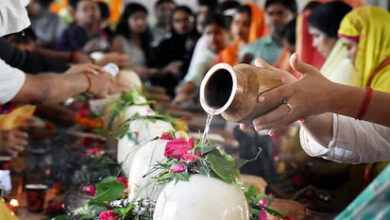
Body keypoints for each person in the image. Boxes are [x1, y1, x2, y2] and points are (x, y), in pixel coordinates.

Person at [173, 14, 228, 104]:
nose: (212, 38)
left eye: (217, 32)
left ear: (226, 32)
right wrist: (183, 92)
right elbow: (194, 79)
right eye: (208, 33)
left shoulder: (235, 52)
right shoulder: (205, 58)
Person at [150, 5, 200, 97]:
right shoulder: (164, 45)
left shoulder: (200, 41)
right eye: (177, 21)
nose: (182, 25)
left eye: (185, 20)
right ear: (172, 23)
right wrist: (166, 69)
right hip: (169, 92)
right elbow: (154, 71)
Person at [308, 1, 353, 85]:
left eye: (317, 36)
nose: (314, 44)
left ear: (336, 35)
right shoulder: (338, 65)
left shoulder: (347, 68)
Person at [239, 0, 296, 65]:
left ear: (294, 15)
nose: (274, 18)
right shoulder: (251, 50)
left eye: (280, 13)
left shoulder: (302, 46)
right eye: (270, 13)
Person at [111, 3, 152, 68]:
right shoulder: (119, 40)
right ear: (126, 20)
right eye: (135, 18)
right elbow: (115, 66)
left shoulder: (147, 39)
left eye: (143, 18)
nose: (140, 22)